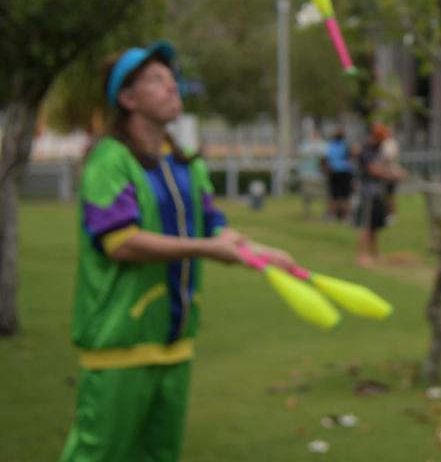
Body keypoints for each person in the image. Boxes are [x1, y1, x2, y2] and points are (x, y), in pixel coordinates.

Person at [61, 42, 292, 462]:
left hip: (175, 345)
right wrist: (208, 249)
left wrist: (261, 253)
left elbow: (214, 227)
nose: (173, 87)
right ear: (127, 99)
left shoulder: (188, 165)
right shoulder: (108, 161)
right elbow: (121, 242)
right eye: (156, 79)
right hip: (118, 344)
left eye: (172, 78)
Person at [354, 123, 404, 266]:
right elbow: (373, 170)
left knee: (374, 224)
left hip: (376, 191)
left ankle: (374, 253)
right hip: (367, 191)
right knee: (366, 224)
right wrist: (392, 175)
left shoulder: (376, 149)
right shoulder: (366, 150)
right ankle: (361, 255)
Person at [323, 129, 354, 221]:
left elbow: (326, 160)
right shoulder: (345, 146)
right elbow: (349, 158)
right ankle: (346, 215)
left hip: (334, 172)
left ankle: (332, 215)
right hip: (345, 171)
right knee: (345, 194)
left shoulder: (330, 146)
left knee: (334, 194)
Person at [297, 127, 328, 219]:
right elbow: (301, 154)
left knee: (323, 194)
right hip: (307, 174)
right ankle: (307, 212)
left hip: (320, 174)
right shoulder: (305, 145)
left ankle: (324, 213)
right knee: (307, 195)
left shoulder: (323, 145)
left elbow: (325, 156)